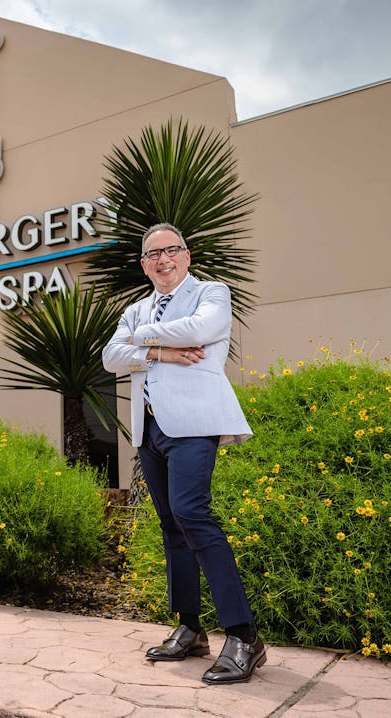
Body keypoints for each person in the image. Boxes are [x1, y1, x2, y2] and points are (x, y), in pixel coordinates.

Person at [102, 222, 265, 685]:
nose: (163, 259)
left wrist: (140, 339)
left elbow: (204, 328)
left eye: (171, 250)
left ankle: (243, 636)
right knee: (171, 525)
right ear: (143, 264)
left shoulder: (212, 292)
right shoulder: (135, 308)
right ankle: (191, 629)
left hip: (194, 425)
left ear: (186, 255)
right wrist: (159, 352)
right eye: (153, 254)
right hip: (150, 428)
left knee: (193, 514)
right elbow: (108, 357)